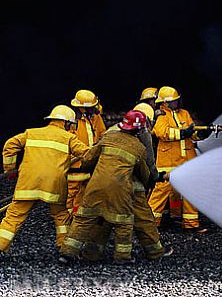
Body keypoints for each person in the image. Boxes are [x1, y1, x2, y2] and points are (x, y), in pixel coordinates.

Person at [81, 103, 171, 261]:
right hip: (132, 185)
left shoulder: (111, 131)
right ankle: (155, 252)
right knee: (143, 219)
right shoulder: (143, 133)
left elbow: (94, 156)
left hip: (106, 182)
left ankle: (91, 253)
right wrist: (154, 178)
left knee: (103, 218)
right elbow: (149, 163)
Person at [60, 110, 151, 263]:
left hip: (95, 187)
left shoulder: (108, 137)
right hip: (120, 191)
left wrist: (91, 169)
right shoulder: (139, 148)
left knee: (83, 219)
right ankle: (122, 257)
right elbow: (144, 174)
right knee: (124, 223)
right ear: (139, 129)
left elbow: (88, 159)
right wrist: (151, 180)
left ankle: (67, 253)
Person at [0, 106, 89, 254]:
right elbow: (87, 154)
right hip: (54, 186)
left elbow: (10, 145)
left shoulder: (31, 133)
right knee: (61, 216)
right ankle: (65, 249)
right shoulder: (69, 138)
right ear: (66, 123)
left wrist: (9, 169)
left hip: (28, 184)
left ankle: (0, 246)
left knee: (14, 216)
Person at [148, 86, 210, 232]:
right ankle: (149, 224)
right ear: (165, 102)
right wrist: (183, 133)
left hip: (187, 161)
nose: (176, 103)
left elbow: (191, 132)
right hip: (168, 162)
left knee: (190, 191)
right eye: (173, 101)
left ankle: (191, 224)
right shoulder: (161, 115)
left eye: (177, 100)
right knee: (161, 192)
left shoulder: (184, 113)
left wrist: (200, 134)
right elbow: (162, 133)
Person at [66, 89, 107, 215]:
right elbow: (67, 140)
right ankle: (67, 217)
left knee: (87, 190)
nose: (93, 109)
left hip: (91, 161)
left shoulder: (96, 117)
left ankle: (79, 215)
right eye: (90, 107)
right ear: (81, 108)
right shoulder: (71, 121)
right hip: (75, 163)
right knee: (72, 191)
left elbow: (102, 133)